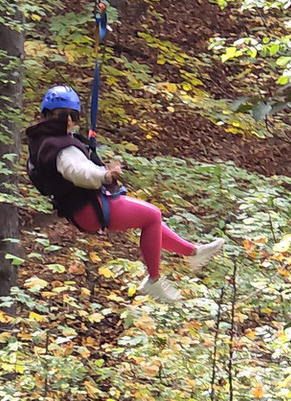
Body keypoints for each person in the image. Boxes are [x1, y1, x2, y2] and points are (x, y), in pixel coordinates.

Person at [25, 85, 224, 303]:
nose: (69, 121)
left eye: (73, 116)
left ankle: (192, 253)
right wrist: (104, 176)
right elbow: (78, 171)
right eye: (63, 116)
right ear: (48, 116)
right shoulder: (62, 148)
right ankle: (154, 280)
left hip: (85, 208)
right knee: (152, 216)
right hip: (91, 209)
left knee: (151, 219)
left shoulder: (43, 142)